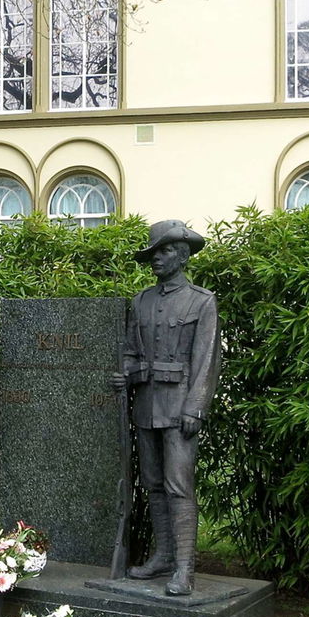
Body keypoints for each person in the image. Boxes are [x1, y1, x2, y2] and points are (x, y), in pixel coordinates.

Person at [110, 220, 220, 596]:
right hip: (147, 405)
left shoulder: (201, 301)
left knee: (178, 486)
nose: (156, 258)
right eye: (153, 253)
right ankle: (163, 556)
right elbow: (131, 352)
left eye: (165, 251)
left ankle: (186, 567)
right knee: (154, 485)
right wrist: (125, 374)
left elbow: (206, 361)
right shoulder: (140, 301)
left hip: (179, 409)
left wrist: (196, 407)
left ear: (183, 255)